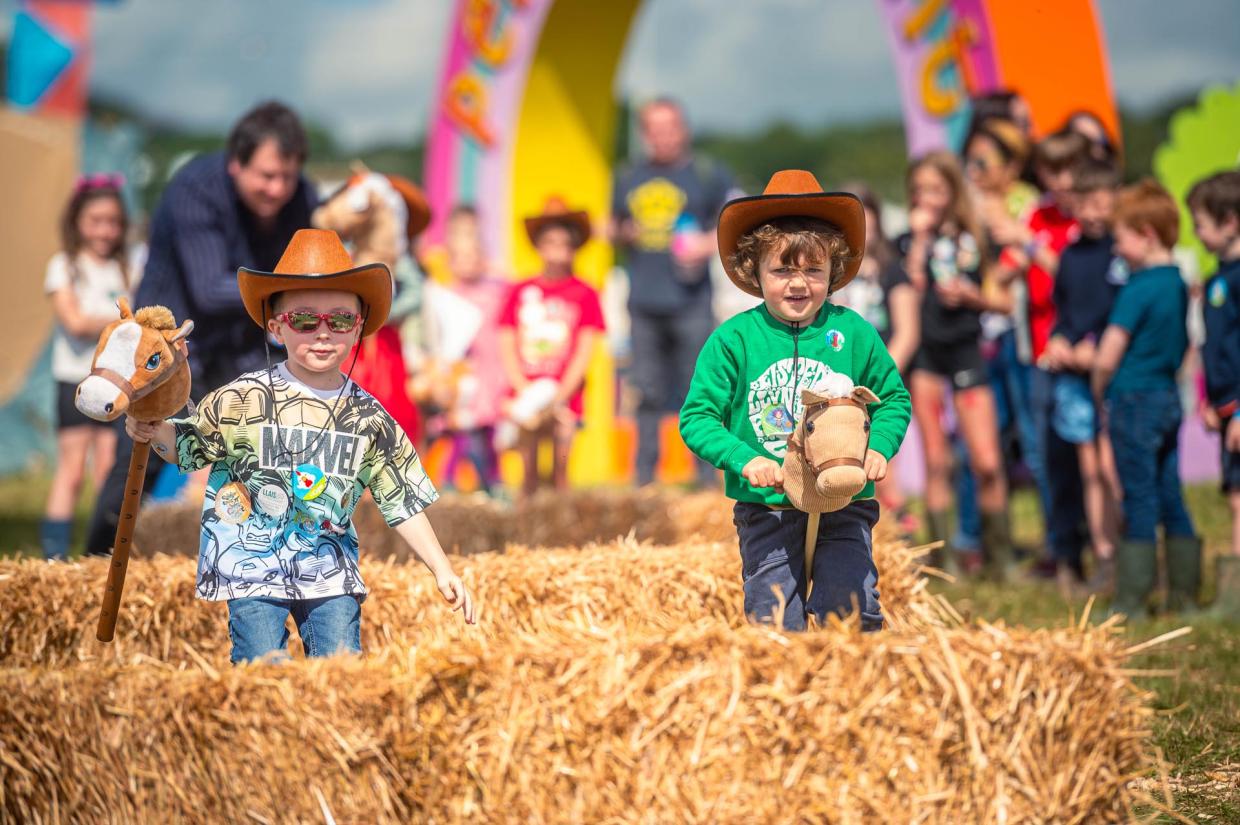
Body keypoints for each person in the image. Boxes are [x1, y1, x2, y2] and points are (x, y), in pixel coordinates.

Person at [125, 229, 475, 663]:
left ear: (359, 326)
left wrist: (442, 568)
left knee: (340, 672)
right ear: (276, 328)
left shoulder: (368, 417)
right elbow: (191, 447)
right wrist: (154, 431)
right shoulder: (242, 398)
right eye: (305, 320)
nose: (324, 333)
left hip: (329, 573)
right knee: (261, 669)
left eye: (341, 319)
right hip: (251, 566)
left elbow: (401, 497)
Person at [680, 170, 911, 631]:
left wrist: (879, 447)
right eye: (782, 269)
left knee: (848, 613)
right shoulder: (734, 340)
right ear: (754, 271)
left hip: (844, 502)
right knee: (774, 622)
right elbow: (698, 417)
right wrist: (744, 460)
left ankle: (847, 692)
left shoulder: (854, 332)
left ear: (834, 271)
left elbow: (893, 400)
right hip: (767, 504)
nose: (798, 283)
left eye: (813, 269)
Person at [86, 101, 318, 556]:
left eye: (287, 177)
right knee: (137, 465)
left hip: (241, 346)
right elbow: (211, 289)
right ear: (236, 163)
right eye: (266, 176)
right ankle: (93, 566)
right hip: (167, 349)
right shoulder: (195, 187)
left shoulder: (303, 196)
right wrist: (291, 285)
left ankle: (262, 561)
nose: (278, 189)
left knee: (265, 452)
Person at [898, 151, 1012, 579]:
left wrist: (971, 296)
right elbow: (909, 288)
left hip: (966, 350)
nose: (928, 198)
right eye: (920, 190)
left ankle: (1000, 558)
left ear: (952, 190)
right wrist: (920, 240)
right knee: (937, 461)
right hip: (927, 357)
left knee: (986, 460)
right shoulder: (908, 239)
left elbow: (1003, 300)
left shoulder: (977, 236)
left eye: (936, 190)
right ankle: (944, 562)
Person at [611, 98, 736, 487]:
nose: (664, 136)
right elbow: (613, 225)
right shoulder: (628, 175)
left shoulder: (707, 173)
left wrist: (706, 242)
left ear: (683, 130)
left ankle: (705, 477)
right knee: (645, 391)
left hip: (691, 301)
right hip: (644, 301)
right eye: (655, 129)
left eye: (670, 128)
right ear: (645, 134)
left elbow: (737, 221)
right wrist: (622, 232)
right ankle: (644, 479)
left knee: (698, 388)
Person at [1091, 179, 1201, 618]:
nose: (1115, 249)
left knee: (1137, 495)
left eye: (1120, 239)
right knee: (1170, 492)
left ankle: (1132, 600)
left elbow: (1108, 353)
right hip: (1167, 397)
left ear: (1147, 234)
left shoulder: (1136, 289)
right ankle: (1185, 594)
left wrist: (1100, 386)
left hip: (1133, 400)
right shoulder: (1177, 282)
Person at [1042, 157, 1126, 594]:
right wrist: (1058, 342)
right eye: (1084, 202)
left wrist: (1097, 349)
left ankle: (1135, 555)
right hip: (1074, 380)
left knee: (1115, 470)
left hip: (1114, 377)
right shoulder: (1070, 255)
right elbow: (1065, 313)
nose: (1091, 211)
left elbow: (1126, 315)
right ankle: (1105, 559)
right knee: (1090, 471)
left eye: (1100, 202)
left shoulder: (1123, 253)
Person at [40, 176, 135, 560]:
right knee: (72, 470)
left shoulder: (126, 268)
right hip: (75, 381)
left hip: (116, 386)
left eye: (112, 221)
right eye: (95, 220)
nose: (104, 230)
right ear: (77, 220)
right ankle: (54, 556)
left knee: (108, 472)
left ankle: (98, 554)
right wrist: (121, 323)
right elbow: (74, 322)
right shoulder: (65, 266)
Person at [498, 198, 605, 496]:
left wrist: (560, 397)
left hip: (565, 394)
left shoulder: (585, 294)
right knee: (528, 471)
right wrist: (523, 389)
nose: (558, 248)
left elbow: (585, 350)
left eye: (564, 242)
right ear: (539, 245)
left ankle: (561, 526)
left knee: (560, 470)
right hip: (527, 389)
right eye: (550, 241)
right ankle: (525, 525)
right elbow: (507, 341)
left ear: (574, 247)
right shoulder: (519, 291)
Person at [831, 185, 920, 533]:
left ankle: (900, 527)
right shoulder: (829, 275)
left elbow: (908, 331)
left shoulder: (892, 271)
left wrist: (878, 380)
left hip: (882, 379)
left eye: (864, 213)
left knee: (882, 459)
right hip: (839, 384)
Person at [1188, 169, 1240, 617]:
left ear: (1230, 222)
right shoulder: (1218, 279)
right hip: (1226, 407)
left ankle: (1232, 597)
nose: (1197, 235)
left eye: (1201, 224)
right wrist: (1211, 400)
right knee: (1232, 495)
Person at [441, 205, 508, 495]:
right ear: (451, 262)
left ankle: (493, 481)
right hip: (463, 374)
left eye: (474, 256)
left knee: (488, 432)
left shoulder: (496, 289)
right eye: (461, 258)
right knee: (462, 431)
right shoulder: (446, 294)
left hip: (490, 372)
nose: (468, 263)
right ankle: (450, 479)